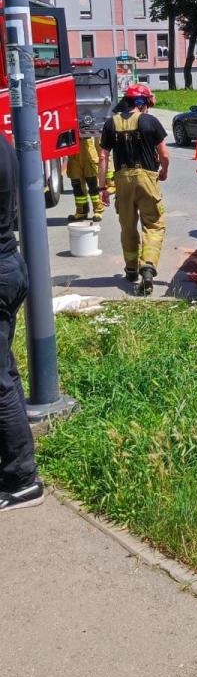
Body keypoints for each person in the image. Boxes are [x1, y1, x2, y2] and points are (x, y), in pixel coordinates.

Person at [0, 133, 43, 512]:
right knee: (5, 374)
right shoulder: (3, 142)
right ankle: (11, 469)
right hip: (9, 266)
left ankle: (22, 479)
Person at [98, 84, 169, 295]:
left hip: (122, 181)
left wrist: (103, 187)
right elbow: (164, 154)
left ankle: (131, 270)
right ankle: (147, 266)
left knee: (128, 226)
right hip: (146, 178)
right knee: (154, 224)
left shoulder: (111, 124)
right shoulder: (150, 122)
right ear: (141, 103)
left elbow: (103, 157)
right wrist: (164, 171)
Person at [66, 132, 103, 222]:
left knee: (92, 184)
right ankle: (81, 211)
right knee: (77, 185)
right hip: (72, 148)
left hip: (87, 148)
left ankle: (98, 210)